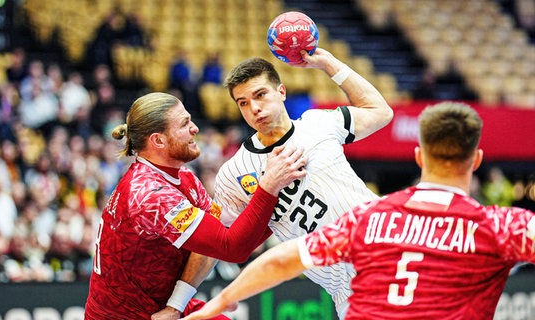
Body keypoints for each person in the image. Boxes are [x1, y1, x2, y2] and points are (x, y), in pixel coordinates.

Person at [181, 102, 535, 320]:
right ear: (476, 160)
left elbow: (282, 260)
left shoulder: (368, 217)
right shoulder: (499, 226)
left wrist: (217, 303)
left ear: (418, 157)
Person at [165, 47, 393, 320]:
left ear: (281, 92)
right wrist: (176, 304)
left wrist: (330, 64)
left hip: (392, 253)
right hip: (350, 294)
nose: (255, 108)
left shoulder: (318, 123)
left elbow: (380, 111)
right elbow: (216, 246)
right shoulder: (234, 173)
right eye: (243, 102)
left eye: (260, 95)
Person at [84, 92, 307, 319]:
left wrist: (176, 305)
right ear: (158, 140)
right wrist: (269, 187)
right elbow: (232, 248)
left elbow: (211, 245)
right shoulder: (151, 195)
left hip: (160, 310)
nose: (195, 129)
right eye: (184, 124)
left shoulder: (182, 176)